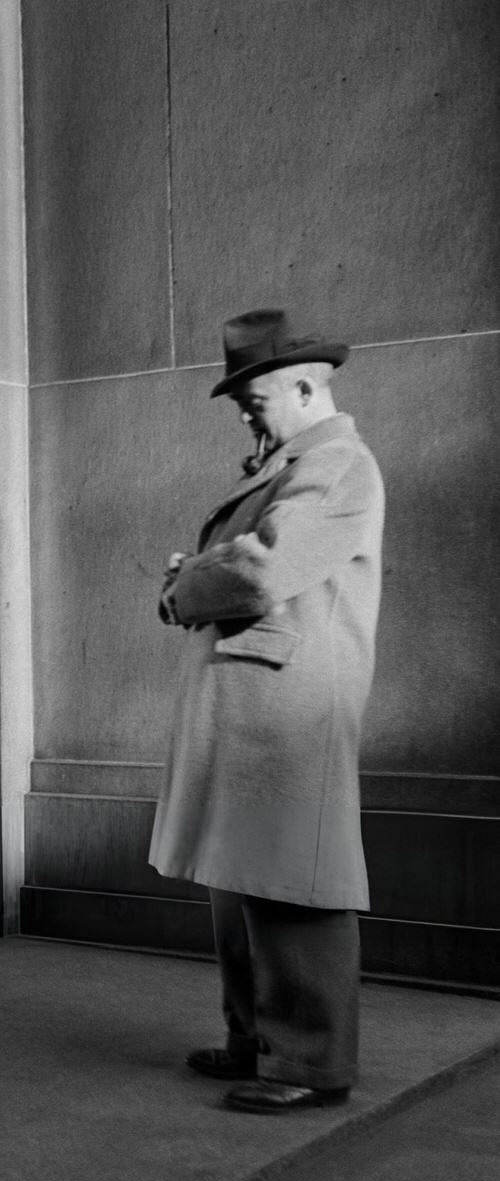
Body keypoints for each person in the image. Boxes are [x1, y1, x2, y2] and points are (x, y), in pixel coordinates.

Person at [150, 308, 385, 1114]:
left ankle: (308, 1064)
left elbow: (263, 571)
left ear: (306, 386)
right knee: (244, 879)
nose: (246, 414)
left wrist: (186, 586)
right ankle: (259, 1040)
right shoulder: (293, 464)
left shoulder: (338, 462)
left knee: (293, 886)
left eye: (254, 400)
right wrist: (207, 572)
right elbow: (252, 566)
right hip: (261, 707)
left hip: (290, 713)